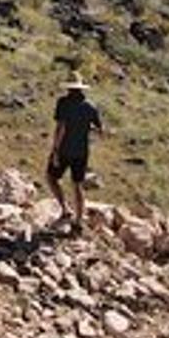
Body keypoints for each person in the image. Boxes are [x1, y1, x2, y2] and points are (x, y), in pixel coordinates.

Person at [48, 76, 104, 233]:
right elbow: (100, 130)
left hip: (64, 149)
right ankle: (78, 220)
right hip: (81, 151)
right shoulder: (90, 106)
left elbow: (61, 128)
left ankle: (65, 209)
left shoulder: (63, 103)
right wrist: (85, 129)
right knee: (77, 185)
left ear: (69, 88)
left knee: (51, 177)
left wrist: (55, 151)